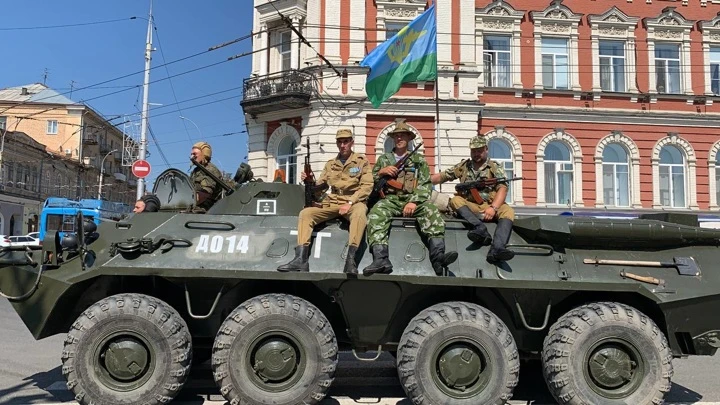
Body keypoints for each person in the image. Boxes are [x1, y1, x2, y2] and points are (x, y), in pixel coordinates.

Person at [363, 121, 458, 277]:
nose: (399, 138)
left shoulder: (418, 160)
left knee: (432, 211)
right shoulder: (384, 159)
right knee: (376, 214)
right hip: (391, 200)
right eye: (396, 136)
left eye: (403, 135)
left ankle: (438, 257)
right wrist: (381, 172)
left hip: (413, 199)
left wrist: (414, 201)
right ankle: (380, 259)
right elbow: (370, 181)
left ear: (408, 138)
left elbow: (425, 184)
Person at [277, 129, 373, 274]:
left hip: (354, 201)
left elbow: (367, 186)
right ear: (336, 144)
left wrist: (350, 203)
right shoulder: (330, 164)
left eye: (346, 141)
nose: (343, 145)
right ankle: (301, 260)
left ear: (351, 143)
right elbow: (321, 188)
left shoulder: (361, 161)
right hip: (333, 200)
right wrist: (310, 181)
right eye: (340, 142)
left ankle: (351, 260)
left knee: (360, 214)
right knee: (306, 213)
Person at [430, 135, 515, 263]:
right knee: (455, 200)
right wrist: (423, 181)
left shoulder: (494, 167)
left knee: (508, 211)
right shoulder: (464, 166)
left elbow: (502, 188)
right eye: (473, 151)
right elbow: (443, 176)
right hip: (471, 205)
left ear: (486, 149)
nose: (476, 154)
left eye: (479, 150)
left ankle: (497, 248)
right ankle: (480, 228)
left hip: (489, 205)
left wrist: (493, 208)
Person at [190, 141, 223, 212]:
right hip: (195, 206)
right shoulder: (196, 171)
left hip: (208, 209)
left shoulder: (210, 170)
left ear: (204, 154)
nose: (192, 156)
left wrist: (187, 203)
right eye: (191, 154)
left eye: (194, 154)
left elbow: (205, 194)